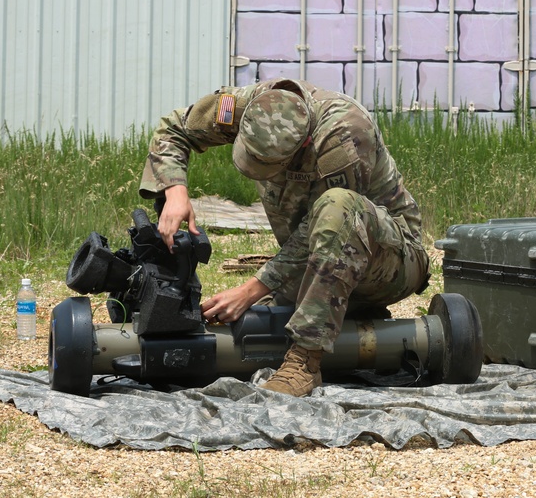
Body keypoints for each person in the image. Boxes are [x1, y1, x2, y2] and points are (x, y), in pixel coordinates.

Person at [139, 78, 430, 397]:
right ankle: (353, 318)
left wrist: (253, 288)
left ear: (302, 146)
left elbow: (331, 228)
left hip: (392, 261)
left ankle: (305, 363)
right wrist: (176, 193)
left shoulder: (344, 135)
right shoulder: (249, 107)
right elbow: (174, 128)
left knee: (337, 205)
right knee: (241, 326)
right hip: (318, 264)